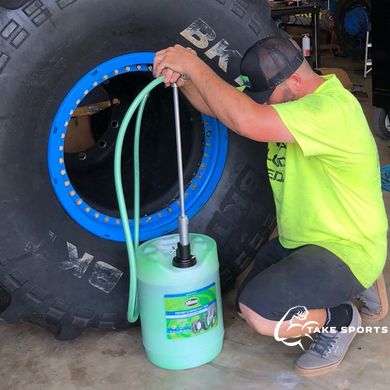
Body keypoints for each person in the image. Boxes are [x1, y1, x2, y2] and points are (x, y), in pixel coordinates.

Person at [153, 36, 388, 376]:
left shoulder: (330, 110)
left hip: (344, 247)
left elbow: (246, 120)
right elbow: (222, 107)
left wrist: (193, 63)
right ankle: (361, 280)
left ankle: (340, 317)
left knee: (262, 315)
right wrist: (187, 81)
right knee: (246, 300)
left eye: (268, 98)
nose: (265, 105)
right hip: (306, 239)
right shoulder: (297, 100)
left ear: (294, 80)